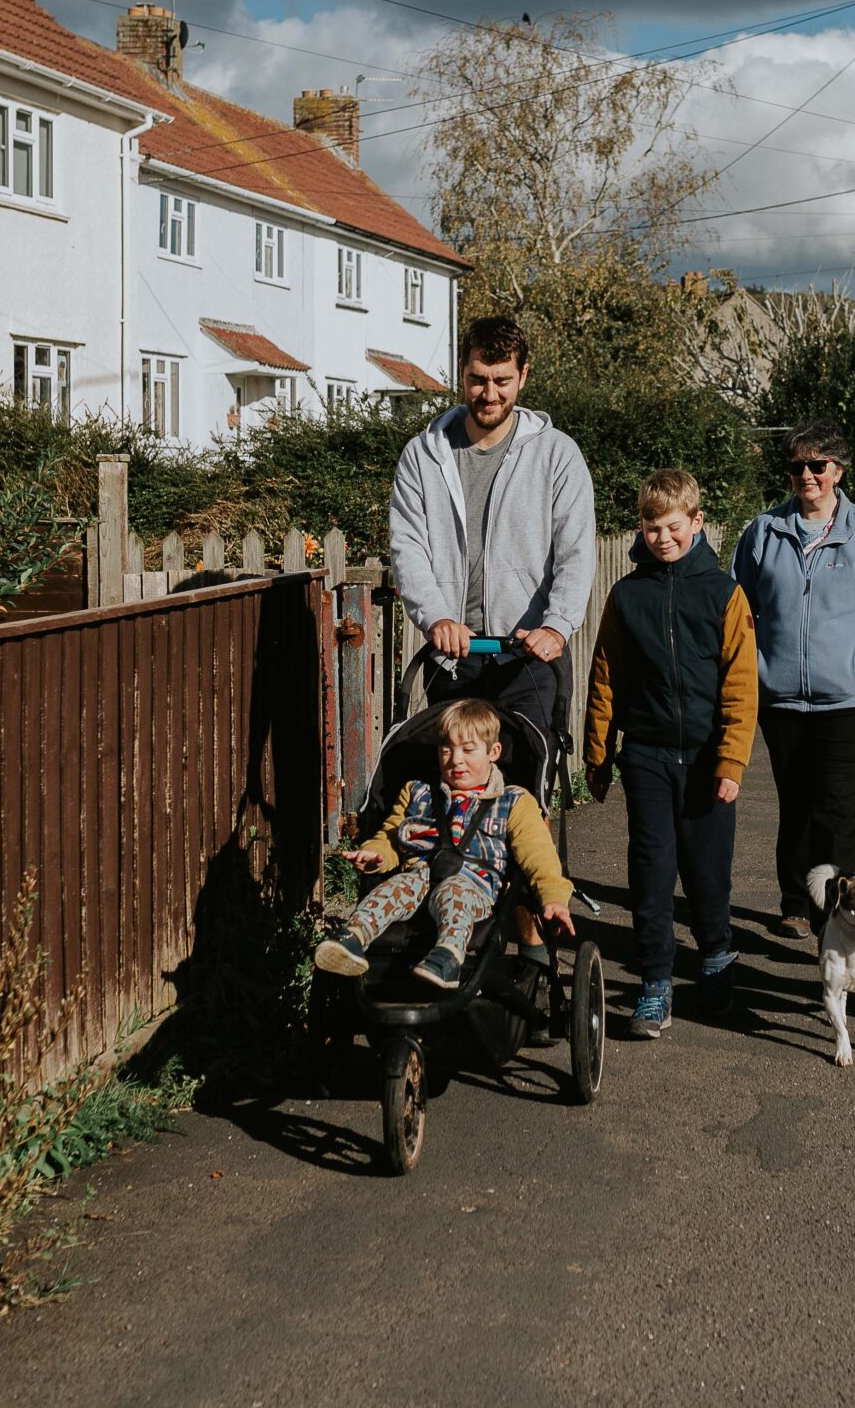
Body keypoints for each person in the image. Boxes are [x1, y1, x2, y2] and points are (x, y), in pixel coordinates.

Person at [583, 469, 760, 1038]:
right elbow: (605, 674)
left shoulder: (724, 594)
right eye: (652, 527)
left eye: (673, 526)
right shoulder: (628, 595)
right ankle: (656, 981)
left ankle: (714, 957)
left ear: (697, 523)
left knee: (708, 873)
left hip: (708, 758)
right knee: (651, 872)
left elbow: (740, 684)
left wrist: (732, 761)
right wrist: (597, 753)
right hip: (648, 756)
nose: (662, 538)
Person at [731, 420, 855, 938]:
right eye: (796, 467)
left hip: (846, 699)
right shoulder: (763, 532)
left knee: (834, 802)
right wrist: (752, 672)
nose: (806, 475)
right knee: (795, 799)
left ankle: (837, 906)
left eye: (817, 466)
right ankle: (793, 899)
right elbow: (740, 609)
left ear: (838, 470)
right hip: (779, 697)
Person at [387, 314, 596, 743]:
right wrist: (437, 616)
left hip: (528, 657)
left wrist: (557, 626)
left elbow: (575, 551)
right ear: (461, 373)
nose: (489, 393)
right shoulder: (422, 457)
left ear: (523, 376)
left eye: (502, 380)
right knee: (453, 782)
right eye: (478, 379)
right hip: (452, 657)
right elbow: (408, 547)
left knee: (524, 786)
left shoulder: (557, 455)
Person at [314, 699, 576, 989]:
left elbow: (539, 857)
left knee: (453, 893)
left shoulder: (513, 801)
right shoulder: (417, 792)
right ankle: (352, 938)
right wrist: (376, 853)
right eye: (447, 749)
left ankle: (448, 956)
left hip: (473, 884)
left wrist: (553, 898)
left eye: (468, 750)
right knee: (393, 889)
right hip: (419, 875)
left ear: (494, 752)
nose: (456, 759)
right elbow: (391, 835)